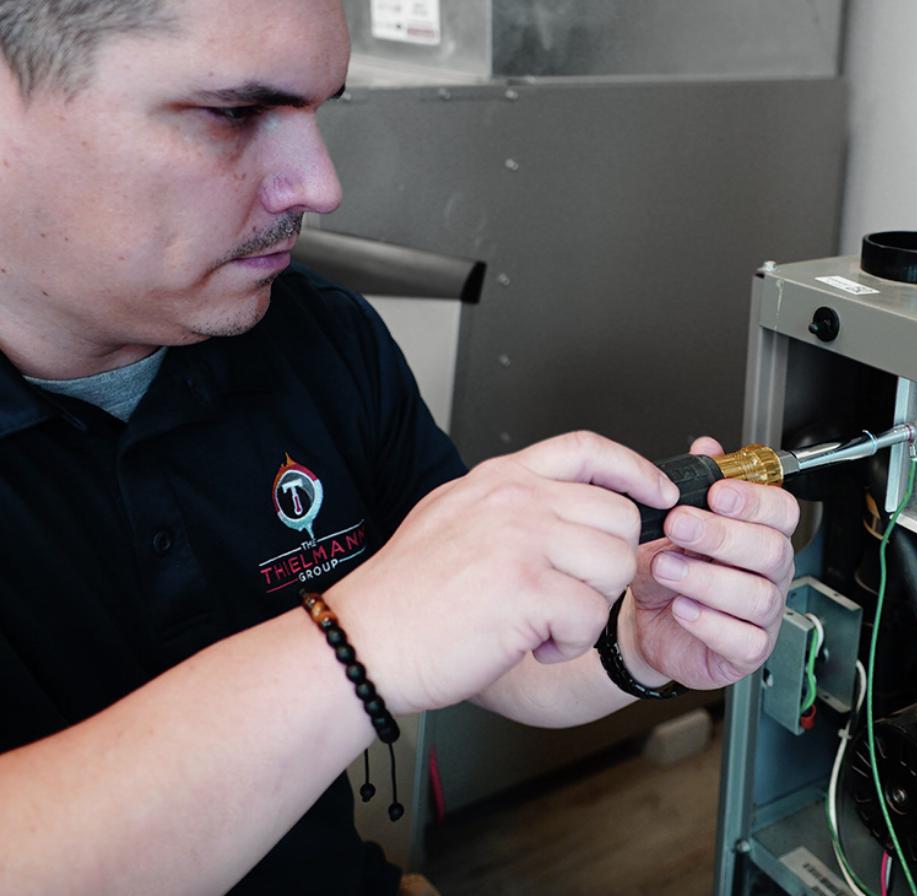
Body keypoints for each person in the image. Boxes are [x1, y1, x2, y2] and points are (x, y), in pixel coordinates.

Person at [0, 1, 798, 893]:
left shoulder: (318, 339)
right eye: (234, 113)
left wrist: (634, 639)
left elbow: (486, 644)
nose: (320, 185)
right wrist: (357, 642)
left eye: (318, 111)